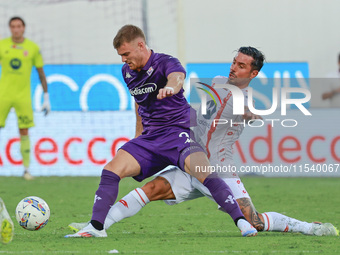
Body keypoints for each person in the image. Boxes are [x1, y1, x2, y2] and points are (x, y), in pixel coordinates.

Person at [69, 47, 339, 237]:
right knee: (151, 190)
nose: (234, 67)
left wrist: (250, 115)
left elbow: (250, 112)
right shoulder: (218, 82)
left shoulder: (247, 100)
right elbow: (197, 113)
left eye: (242, 65)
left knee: (253, 221)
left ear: (253, 74)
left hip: (219, 170)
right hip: (191, 160)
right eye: (235, 61)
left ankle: (308, 227)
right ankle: (98, 223)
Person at [65, 25, 257, 238]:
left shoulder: (166, 62)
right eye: (120, 55)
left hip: (178, 133)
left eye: (126, 54)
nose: (123, 59)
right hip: (150, 138)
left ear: (140, 45)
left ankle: (242, 223)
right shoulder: (126, 71)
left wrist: (170, 88)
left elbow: (177, 78)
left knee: (205, 172)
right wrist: (138, 136)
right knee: (111, 170)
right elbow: (139, 104)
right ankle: (96, 228)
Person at [0, 17, 50, 180]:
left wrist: (46, 96)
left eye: (19, 26)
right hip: (3, 94)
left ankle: (26, 169)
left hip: (23, 96)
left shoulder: (32, 48)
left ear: (23, 28)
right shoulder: (2, 45)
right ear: (10, 28)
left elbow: (40, 73)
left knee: (24, 130)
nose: (16, 29)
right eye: (13, 26)